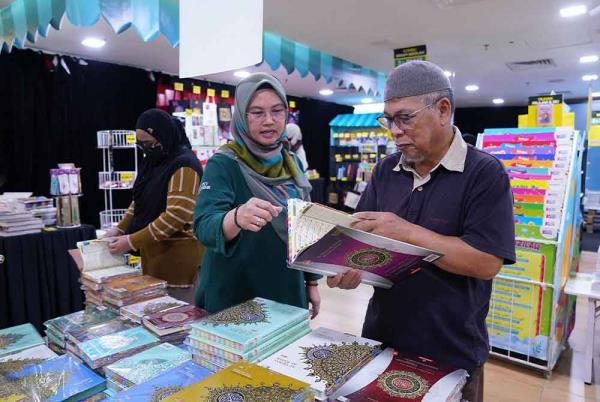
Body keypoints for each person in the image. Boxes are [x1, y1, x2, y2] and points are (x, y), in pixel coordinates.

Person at [327, 61, 515, 402]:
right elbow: (365, 241)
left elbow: (487, 262)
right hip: (381, 341)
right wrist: (349, 266)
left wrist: (407, 232)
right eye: (388, 120)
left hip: (452, 354)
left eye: (405, 118)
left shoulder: (484, 174)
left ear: (443, 110)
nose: (395, 131)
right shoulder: (386, 171)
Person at [193, 73, 321, 317]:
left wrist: (311, 282)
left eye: (277, 111)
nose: (269, 121)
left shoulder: (292, 162)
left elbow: (305, 225)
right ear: (242, 116)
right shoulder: (224, 163)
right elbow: (203, 226)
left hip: (286, 288)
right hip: (236, 292)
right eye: (257, 112)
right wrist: (237, 217)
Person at [104, 109, 204, 303]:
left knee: (178, 321)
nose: (145, 149)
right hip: (155, 260)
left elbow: (175, 216)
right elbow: (140, 200)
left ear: (163, 136)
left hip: (178, 266)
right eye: (140, 144)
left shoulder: (185, 165)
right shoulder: (154, 161)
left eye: (149, 143)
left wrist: (131, 241)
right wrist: (119, 228)